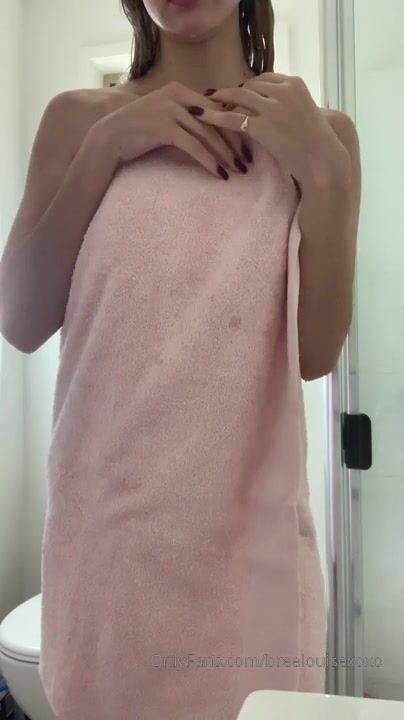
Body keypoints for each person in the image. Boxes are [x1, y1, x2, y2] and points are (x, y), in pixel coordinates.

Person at [0, 1, 361, 718]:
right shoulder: (76, 121)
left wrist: (326, 173)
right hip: (108, 558)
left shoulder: (320, 134)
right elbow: (19, 320)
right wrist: (106, 147)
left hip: (250, 561)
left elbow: (316, 352)